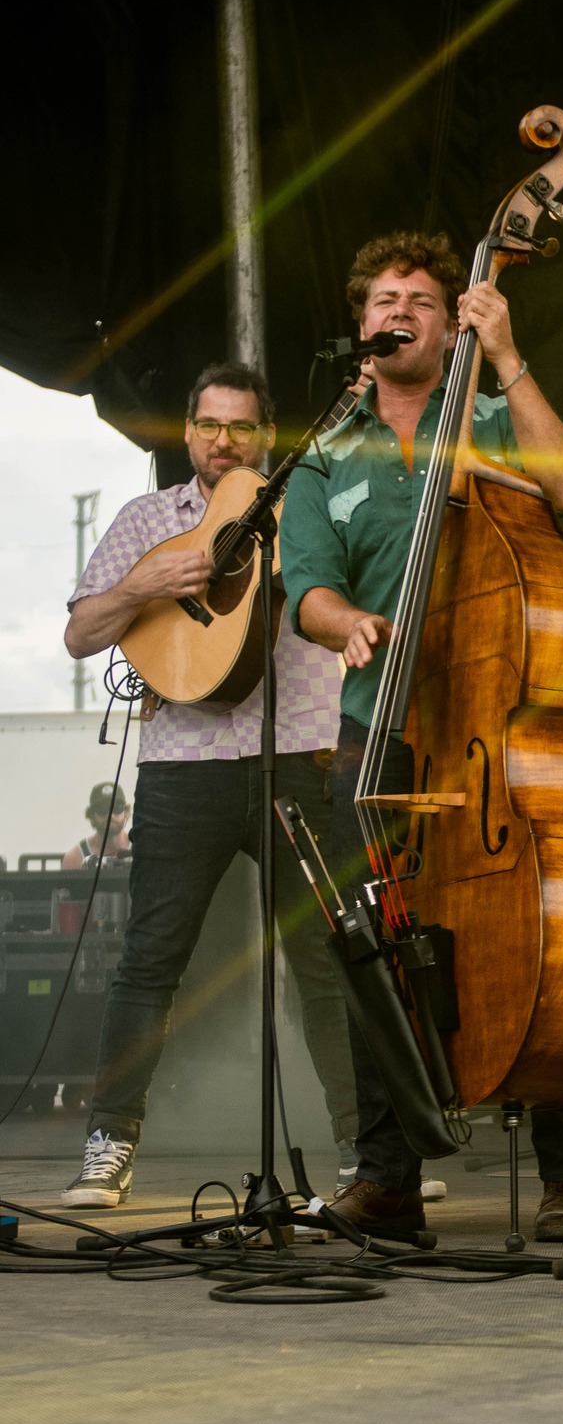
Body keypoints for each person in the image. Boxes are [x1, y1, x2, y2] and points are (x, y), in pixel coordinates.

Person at [281, 230, 563, 1243]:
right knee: (372, 948)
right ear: (359, 323)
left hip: (500, 721)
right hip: (381, 727)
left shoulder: (496, 414)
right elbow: (307, 588)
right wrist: (345, 622)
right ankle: (387, 1177)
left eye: (420, 296)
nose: (399, 311)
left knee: (544, 927)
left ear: (451, 313)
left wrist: (506, 356)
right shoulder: (324, 453)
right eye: (382, 298)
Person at [59, 363, 358, 1208]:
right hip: (181, 764)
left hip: (297, 753)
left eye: (241, 427)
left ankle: (366, 1156)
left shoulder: (307, 511)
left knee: (326, 960)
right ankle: (109, 1146)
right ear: (187, 432)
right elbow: (83, 632)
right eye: (209, 426)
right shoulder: (146, 519)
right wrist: (143, 584)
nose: (223, 442)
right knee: (150, 962)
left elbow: (352, 599)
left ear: (268, 436)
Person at [61, 782, 132, 869]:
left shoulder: (142, 849)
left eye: (117, 807)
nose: (110, 815)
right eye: (102, 809)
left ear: (126, 812)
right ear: (92, 816)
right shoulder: (75, 858)